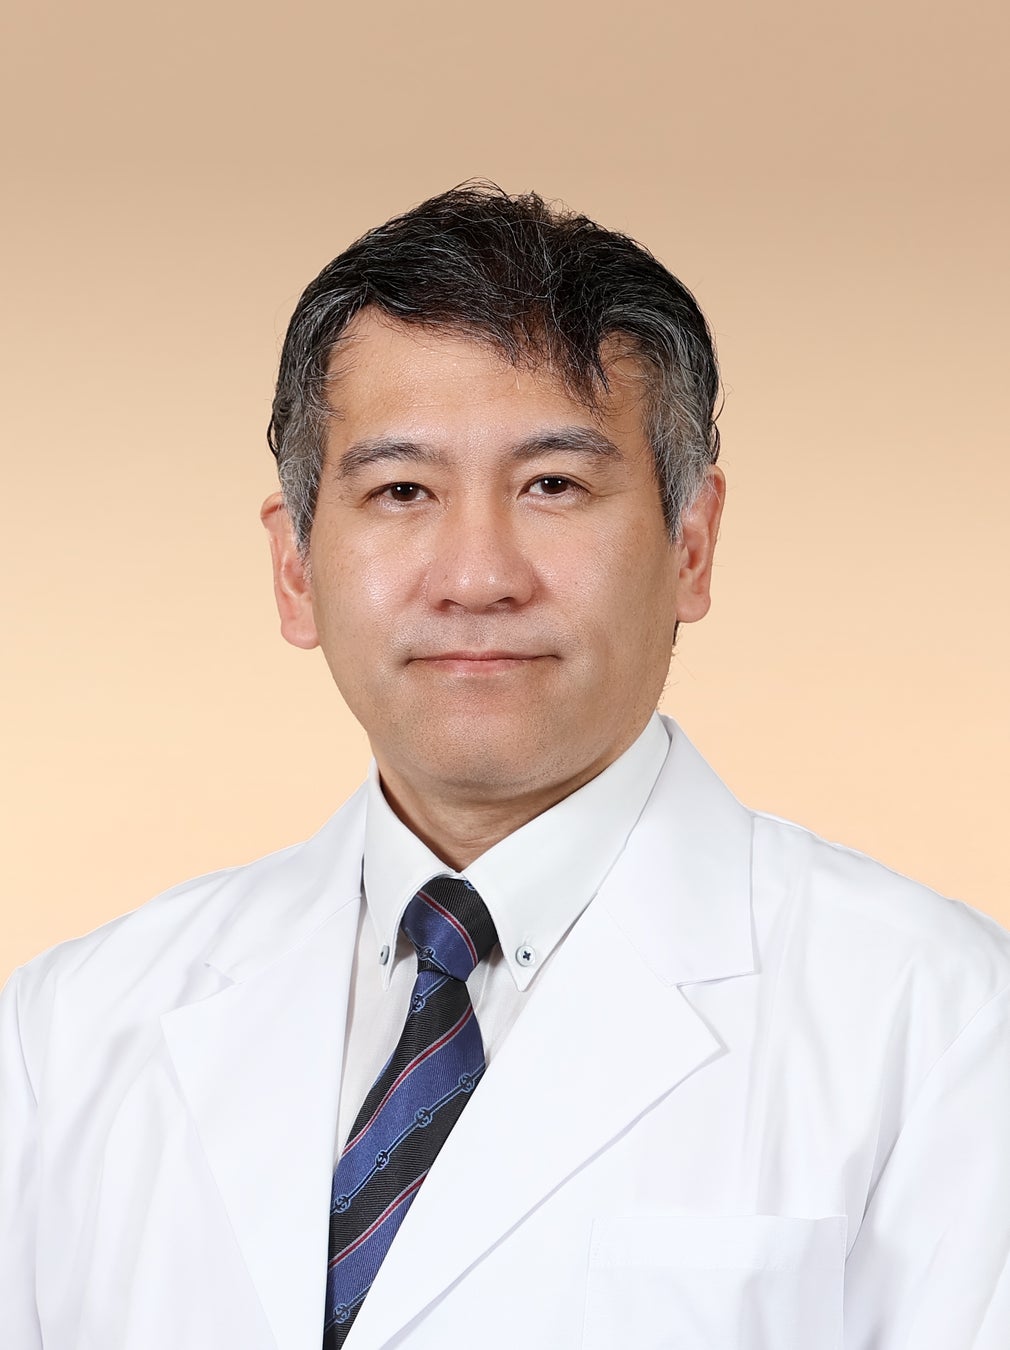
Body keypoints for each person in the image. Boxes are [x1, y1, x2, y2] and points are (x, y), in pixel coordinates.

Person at [2, 183, 1008, 1350]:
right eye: (400, 491)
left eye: (552, 486)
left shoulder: (940, 1022)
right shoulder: (70, 1032)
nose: (476, 576)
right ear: (294, 570)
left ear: (690, 544)